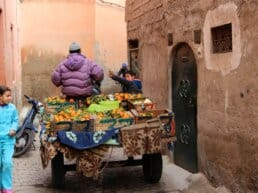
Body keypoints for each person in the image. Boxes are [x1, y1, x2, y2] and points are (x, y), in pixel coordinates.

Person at [0, 85, 19, 193]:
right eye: (7, 96)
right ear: (0, 97)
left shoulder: (12, 107)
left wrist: (13, 128)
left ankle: (6, 188)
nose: (10, 98)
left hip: (8, 140)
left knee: (7, 163)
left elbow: (15, 120)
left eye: (10, 96)